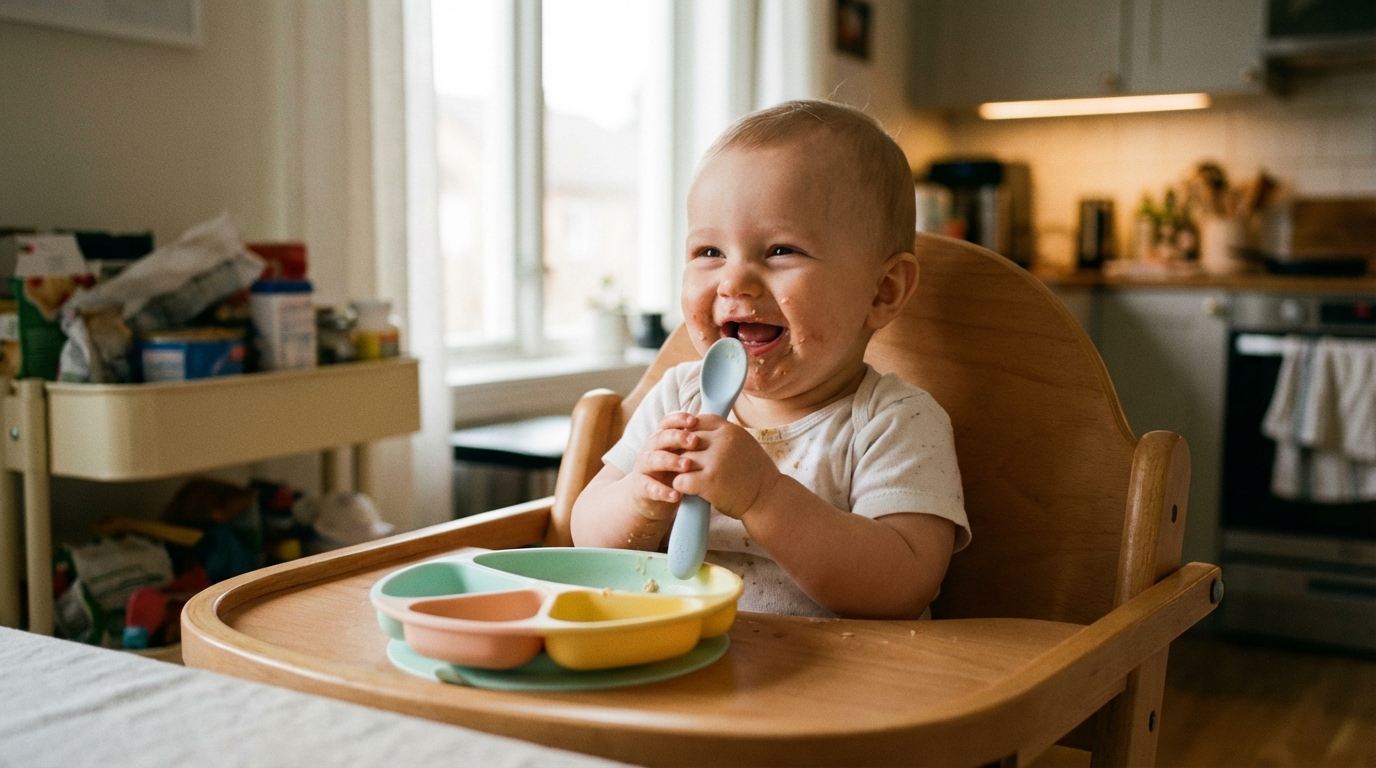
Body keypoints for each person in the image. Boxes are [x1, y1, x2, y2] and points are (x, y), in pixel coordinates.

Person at [570, 100, 969, 619]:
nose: (733, 281)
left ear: (882, 291)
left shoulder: (895, 423)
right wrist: (640, 502)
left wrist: (763, 497)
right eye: (709, 253)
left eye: (781, 250)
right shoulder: (679, 397)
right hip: (681, 668)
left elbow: (904, 582)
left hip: (842, 689)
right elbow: (585, 533)